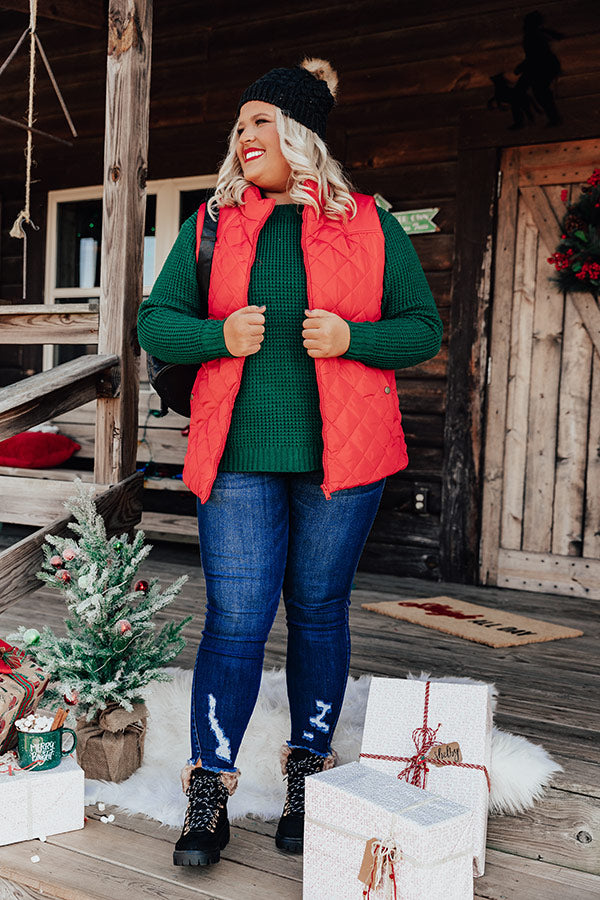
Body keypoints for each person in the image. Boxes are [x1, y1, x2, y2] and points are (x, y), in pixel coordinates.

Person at [137, 57, 442, 868]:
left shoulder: (371, 222)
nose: (242, 138)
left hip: (344, 457)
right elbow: (155, 321)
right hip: (236, 455)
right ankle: (208, 791)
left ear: (301, 133)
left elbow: (422, 329)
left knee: (316, 610)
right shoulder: (210, 224)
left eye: (259, 122)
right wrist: (214, 335)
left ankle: (307, 772)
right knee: (235, 620)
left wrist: (354, 338)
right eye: (237, 126)